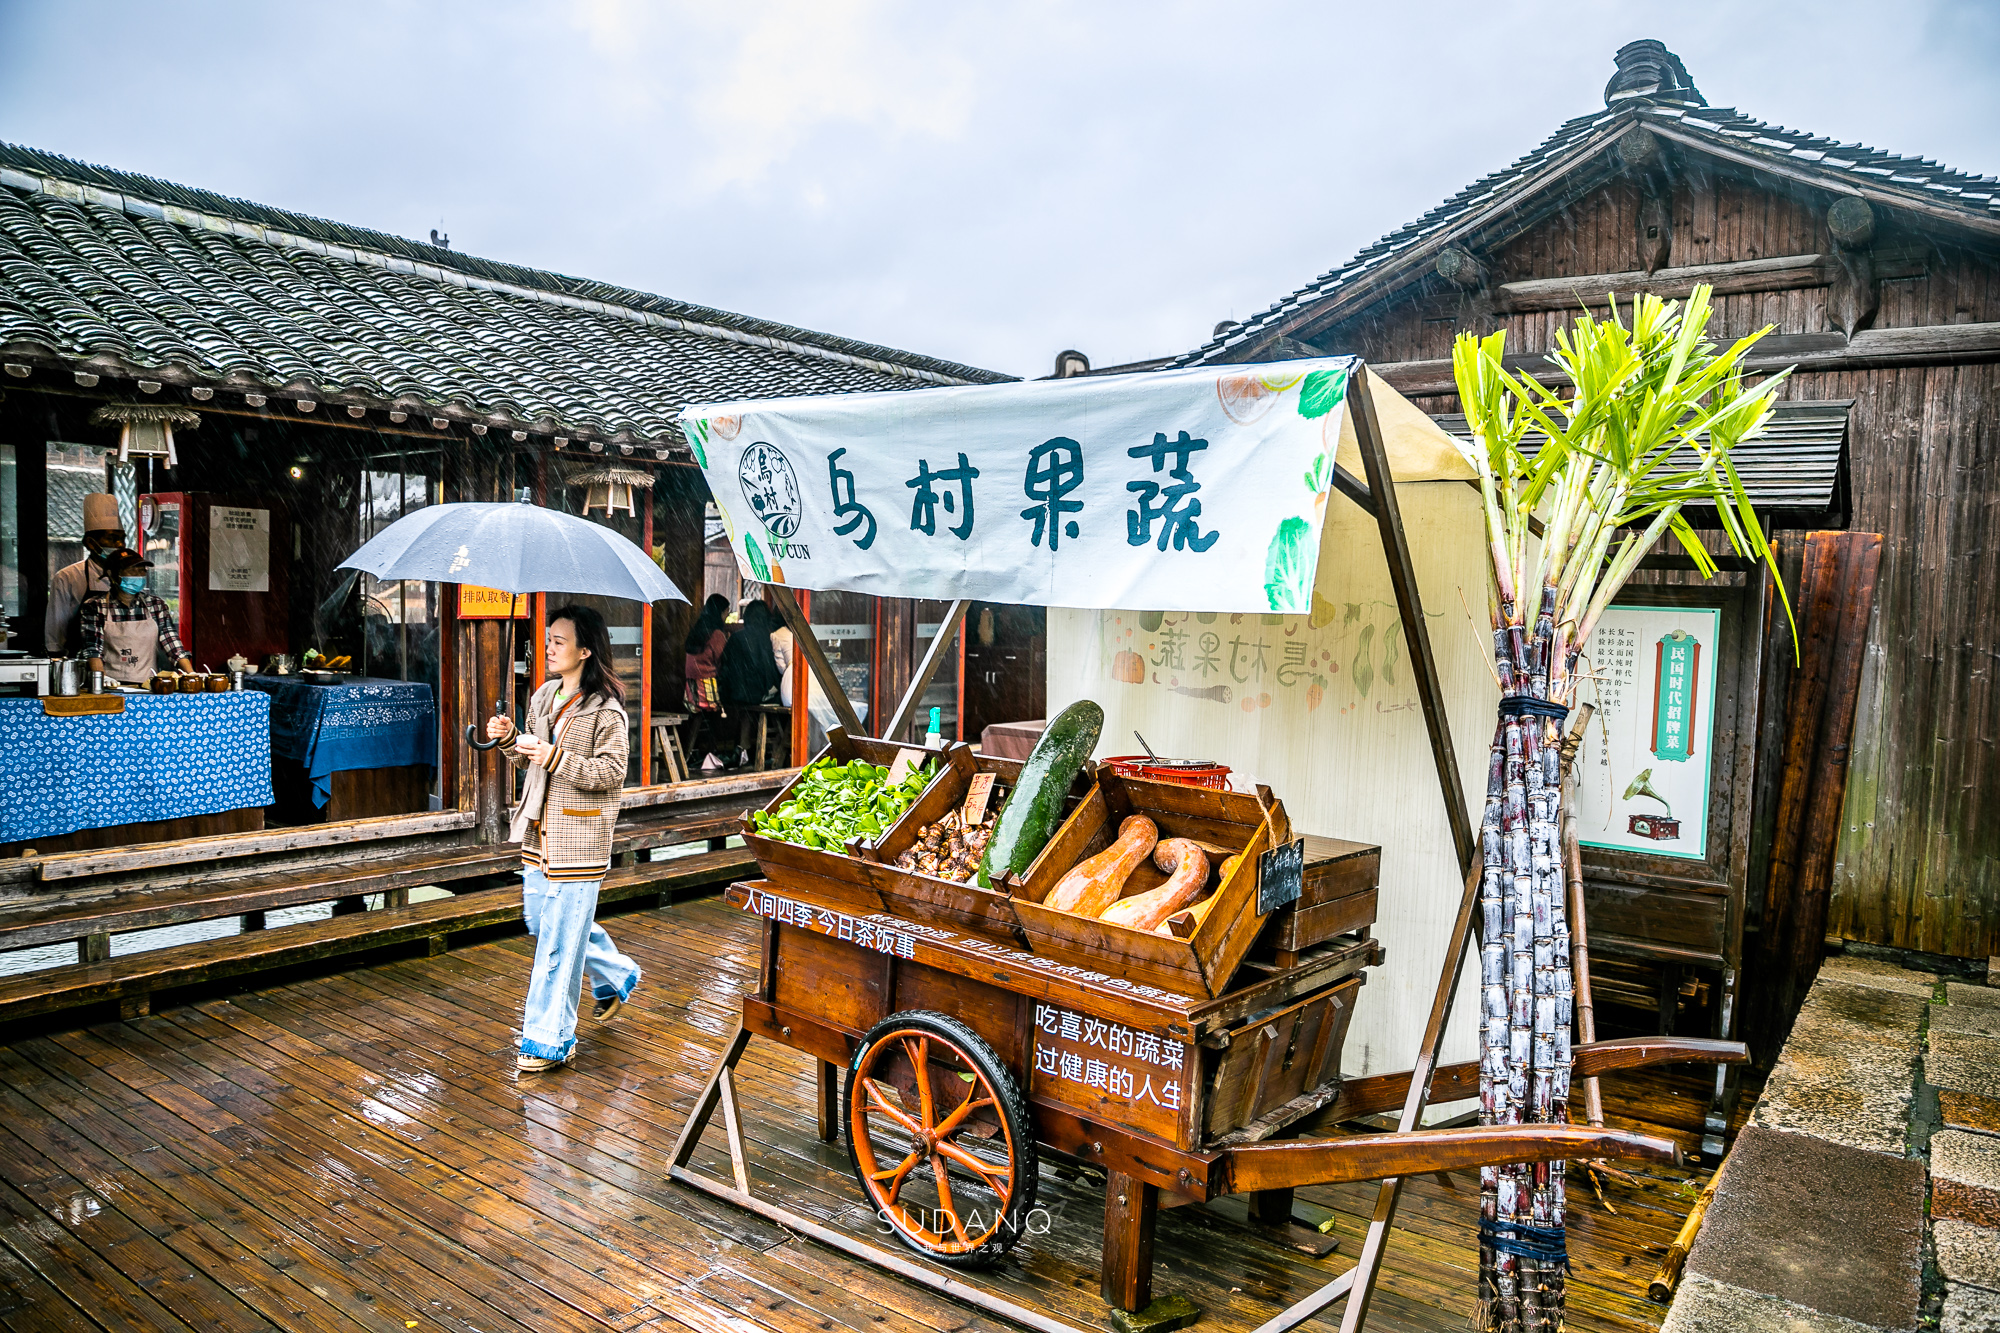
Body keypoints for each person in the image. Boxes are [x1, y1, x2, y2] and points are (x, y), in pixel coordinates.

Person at [486, 605, 641, 1074]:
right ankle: (617, 973)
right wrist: (512, 739)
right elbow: (531, 764)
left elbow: (611, 775)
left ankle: (549, 1038)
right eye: (547, 638)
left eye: (558, 640)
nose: (548, 647)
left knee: (556, 940)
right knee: (542, 921)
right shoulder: (544, 696)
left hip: (580, 838)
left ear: (585, 649)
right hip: (539, 834)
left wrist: (552, 755)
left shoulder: (607, 712)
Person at [79, 548, 194, 685]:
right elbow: (92, 649)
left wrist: (191, 673)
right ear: (112, 574)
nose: (139, 575)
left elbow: (172, 643)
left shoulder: (155, 605)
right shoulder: (94, 606)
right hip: (110, 684)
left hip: (149, 685)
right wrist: (101, 678)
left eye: (142, 570)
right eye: (132, 570)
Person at [46, 493, 125, 656]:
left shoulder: (131, 575)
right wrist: (57, 659)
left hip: (122, 659)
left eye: (122, 539)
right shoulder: (68, 577)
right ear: (90, 542)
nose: (120, 545)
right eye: (112, 539)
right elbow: (55, 631)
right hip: (83, 662)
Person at [718, 599, 784, 767]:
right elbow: (770, 670)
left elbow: (724, 668)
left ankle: (743, 747)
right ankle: (778, 752)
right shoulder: (768, 637)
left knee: (746, 711)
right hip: (758, 693)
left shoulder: (736, 638)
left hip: (736, 695)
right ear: (765, 617)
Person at [681, 593, 730, 768]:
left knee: (698, 718)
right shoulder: (716, 634)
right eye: (726, 612)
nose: (726, 616)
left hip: (691, 688)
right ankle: (714, 752)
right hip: (707, 687)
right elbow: (722, 660)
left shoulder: (697, 630)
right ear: (720, 612)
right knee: (725, 709)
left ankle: (691, 752)